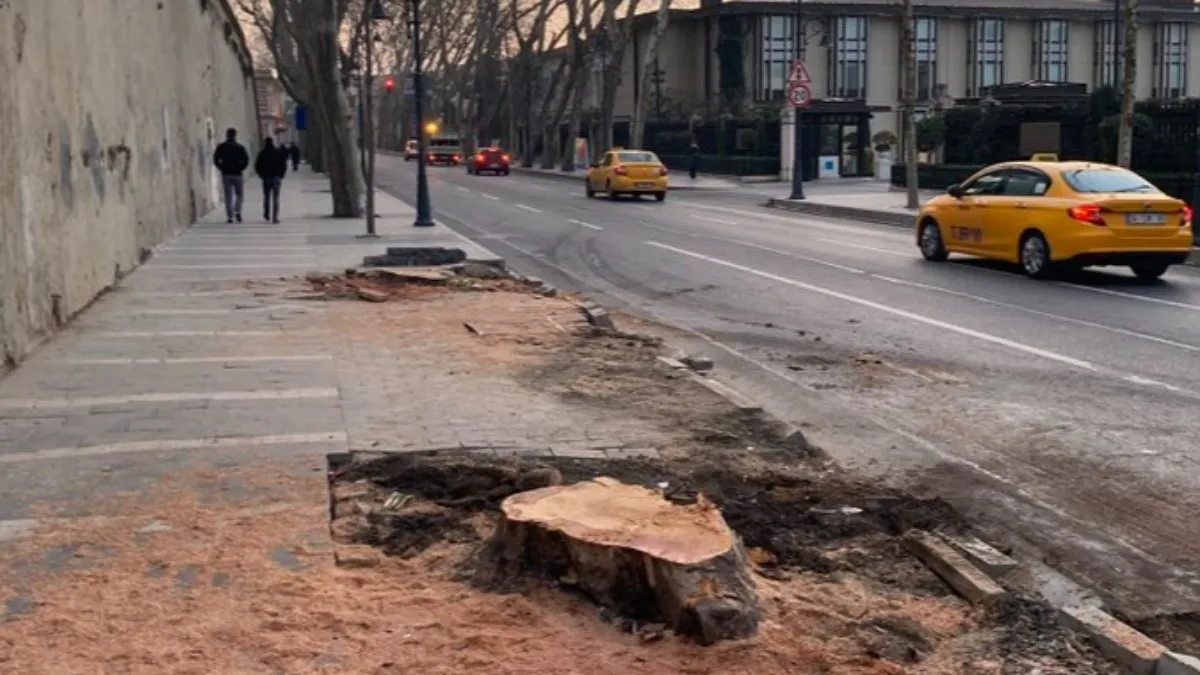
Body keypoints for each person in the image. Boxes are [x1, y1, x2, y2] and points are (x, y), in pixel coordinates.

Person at [212, 128, 249, 223]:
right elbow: (246, 160)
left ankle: (229, 216)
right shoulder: (240, 147)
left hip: (226, 174)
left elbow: (216, 159)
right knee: (239, 194)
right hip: (237, 174)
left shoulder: (221, 147)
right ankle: (238, 211)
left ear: (227, 135)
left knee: (228, 195)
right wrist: (241, 168)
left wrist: (221, 168)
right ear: (235, 135)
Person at [254, 137, 289, 223]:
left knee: (266, 197)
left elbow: (257, 166)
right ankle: (275, 217)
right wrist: (281, 175)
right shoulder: (278, 153)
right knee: (276, 198)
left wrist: (261, 175)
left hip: (266, 177)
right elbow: (283, 165)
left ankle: (266, 214)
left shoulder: (262, 153)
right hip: (276, 177)